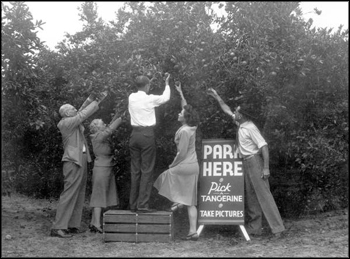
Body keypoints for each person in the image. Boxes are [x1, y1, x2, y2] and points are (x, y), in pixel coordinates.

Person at [207, 88, 285, 239]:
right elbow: (226, 109)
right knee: (251, 197)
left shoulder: (250, 127)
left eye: (237, 111)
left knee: (264, 195)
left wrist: (266, 168)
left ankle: (278, 229)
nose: (234, 112)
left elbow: (264, 147)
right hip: (246, 163)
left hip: (255, 162)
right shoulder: (240, 124)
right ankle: (255, 228)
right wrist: (217, 96)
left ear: (241, 115)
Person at [154, 81, 200, 241]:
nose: (178, 114)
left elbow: (181, 152)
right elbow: (186, 107)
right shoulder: (191, 127)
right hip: (193, 166)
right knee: (191, 202)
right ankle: (193, 231)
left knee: (164, 177)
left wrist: (172, 164)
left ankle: (177, 203)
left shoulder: (185, 131)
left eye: (181, 113)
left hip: (184, 165)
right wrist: (180, 93)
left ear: (185, 118)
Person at [51, 94, 102, 238]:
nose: (76, 109)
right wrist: (97, 101)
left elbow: (81, 110)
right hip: (73, 161)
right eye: (73, 109)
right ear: (67, 113)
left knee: (79, 192)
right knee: (69, 192)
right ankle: (58, 227)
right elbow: (82, 114)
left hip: (81, 159)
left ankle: (72, 225)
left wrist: (90, 98)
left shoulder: (71, 119)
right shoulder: (65, 123)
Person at [128, 73, 171, 213]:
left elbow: (142, 89)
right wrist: (166, 84)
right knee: (146, 170)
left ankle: (133, 204)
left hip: (134, 135)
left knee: (135, 171)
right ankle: (142, 205)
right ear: (147, 86)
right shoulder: (149, 99)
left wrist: (146, 83)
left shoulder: (131, 97)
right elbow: (166, 97)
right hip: (146, 135)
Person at [88, 112, 123, 233]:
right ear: (98, 127)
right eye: (103, 123)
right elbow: (109, 130)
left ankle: (93, 222)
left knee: (99, 195)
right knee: (99, 196)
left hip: (105, 167)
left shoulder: (99, 136)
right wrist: (121, 118)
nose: (105, 124)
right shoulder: (98, 137)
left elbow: (108, 128)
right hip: (102, 169)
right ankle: (97, 224)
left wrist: (118, 114)